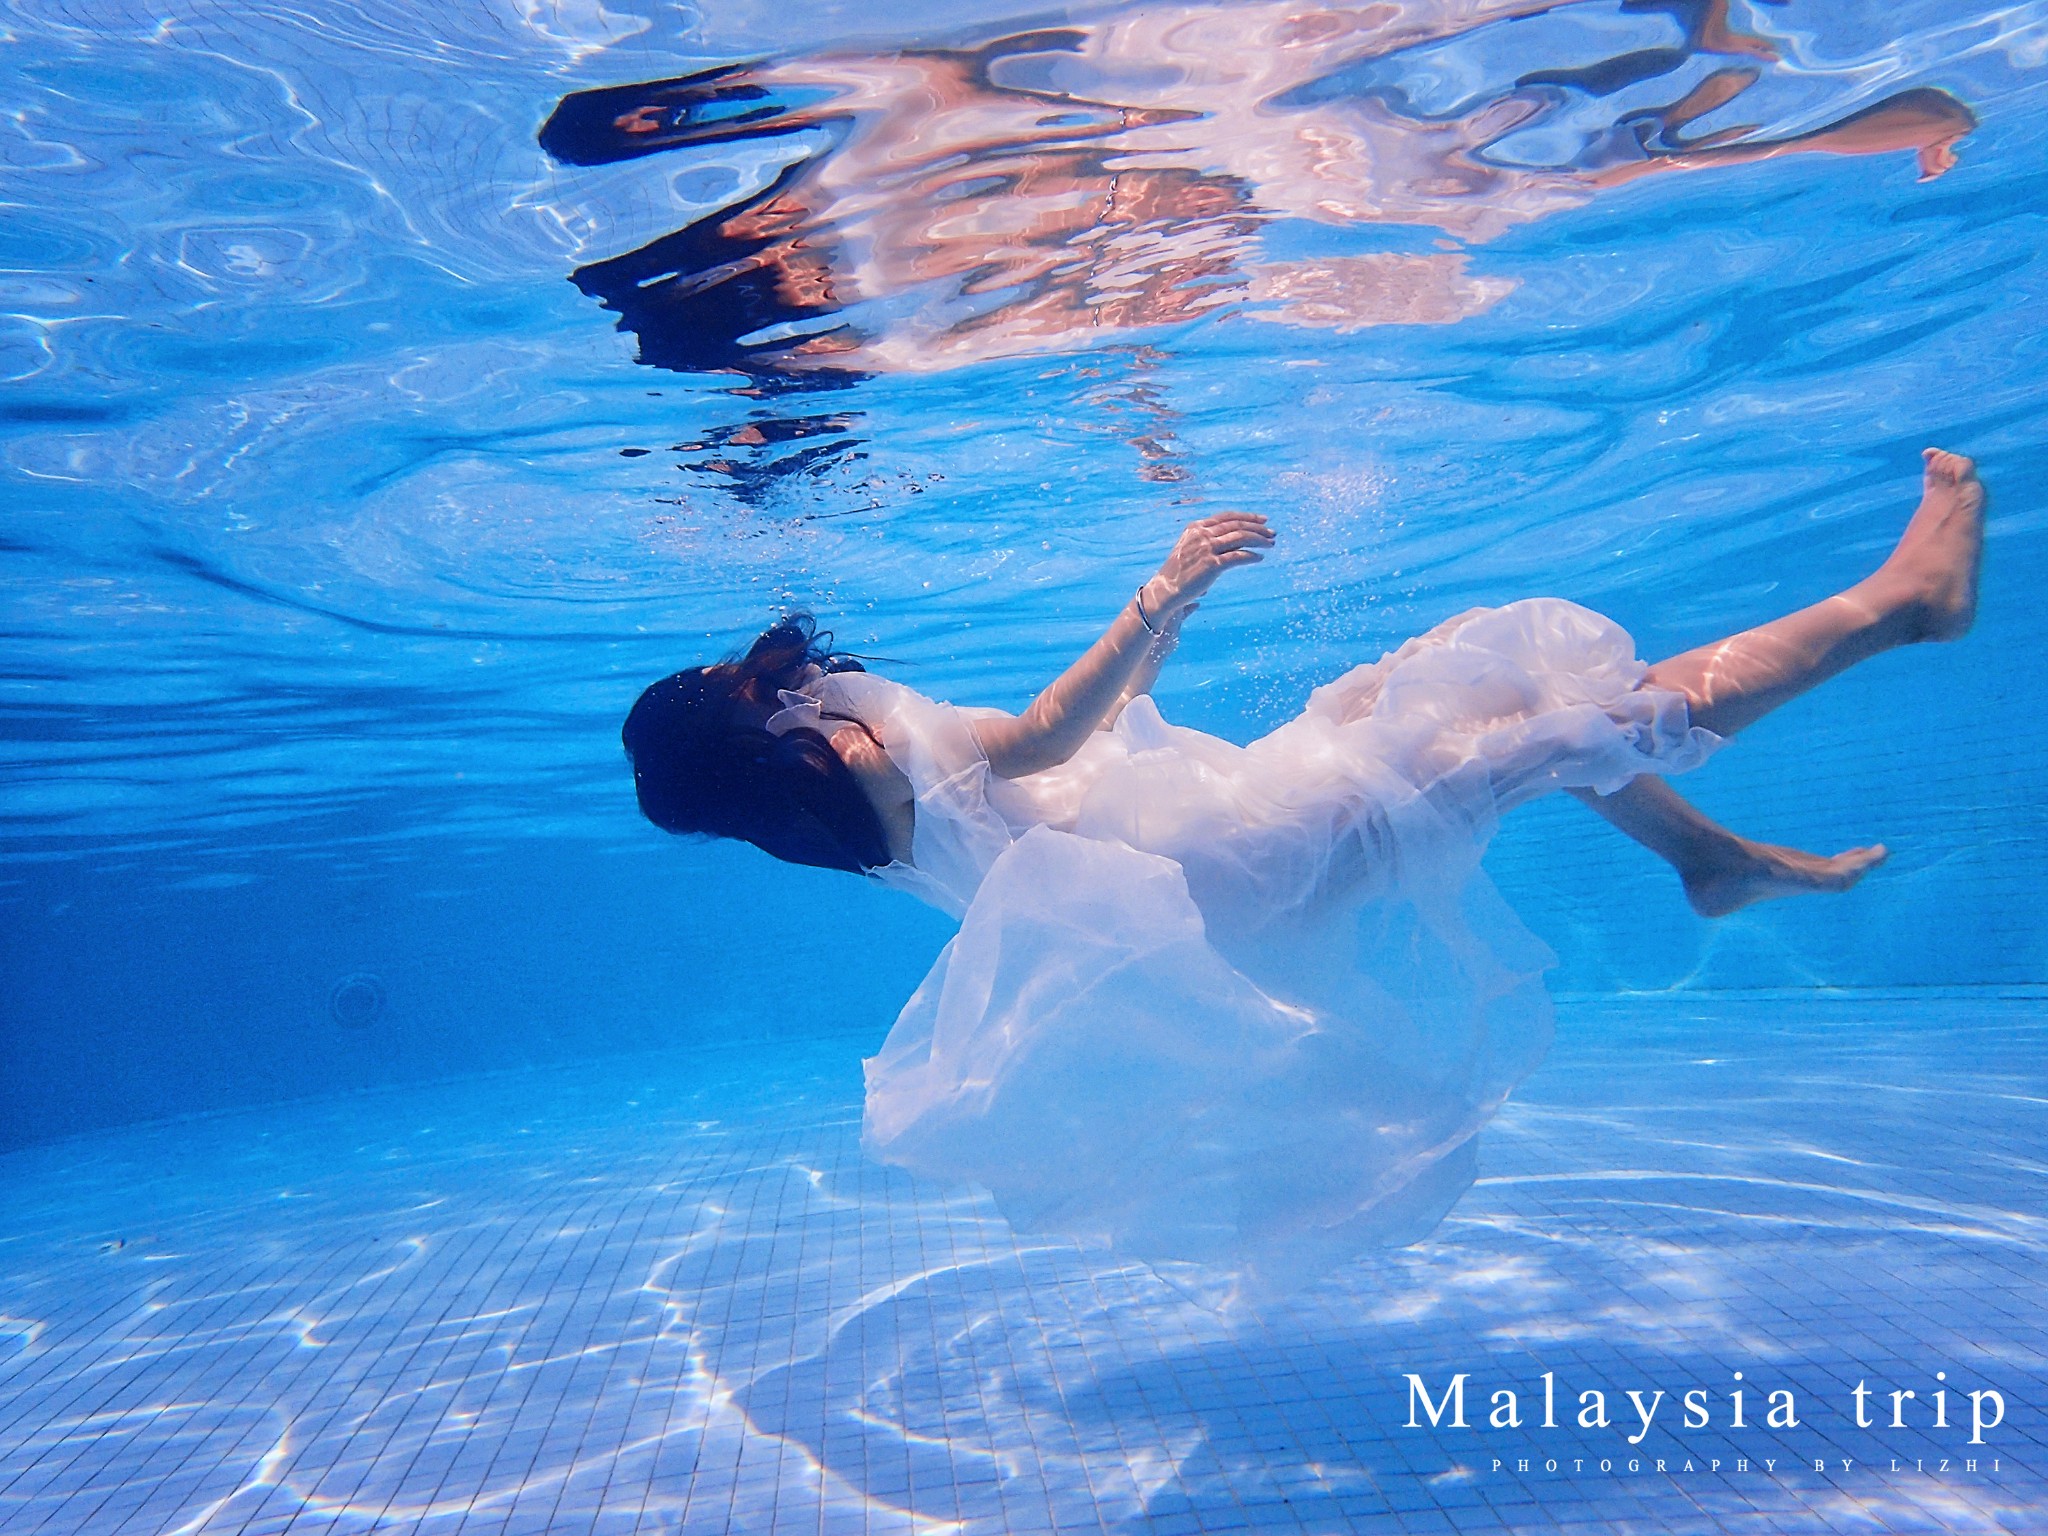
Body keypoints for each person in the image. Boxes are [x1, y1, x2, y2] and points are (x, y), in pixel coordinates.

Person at [623, 450, 1985, 1290]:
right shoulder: (855, 752)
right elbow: (1043, 737)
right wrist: (1159, 593)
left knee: (1488, 695)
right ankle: (1899, 610)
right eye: (735, 687)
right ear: (734, 729)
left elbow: (1041, 773)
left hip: (1218, 859)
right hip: (1243, 848)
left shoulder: (839, 826)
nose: (763, 678)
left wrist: (1161, 630)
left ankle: (1712, 858)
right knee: (1562, 718)